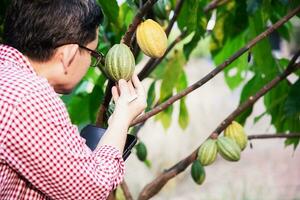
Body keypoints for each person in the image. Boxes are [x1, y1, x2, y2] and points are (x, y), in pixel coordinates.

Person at [0, 0, 147, 199]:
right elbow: (91, 190)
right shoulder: (28, 98)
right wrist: (122, 118)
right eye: (92, 53)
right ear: (68, 55)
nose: (91, 62)